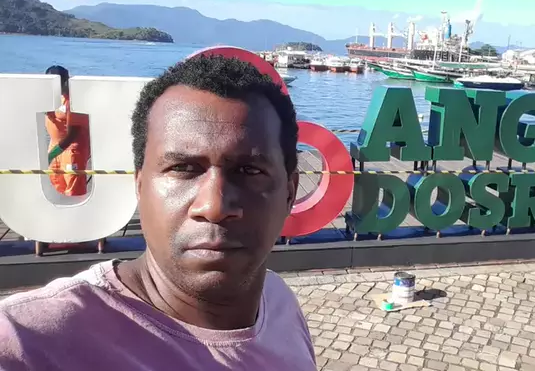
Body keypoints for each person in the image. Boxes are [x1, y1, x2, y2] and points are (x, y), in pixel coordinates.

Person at [0, 55, 315, 370]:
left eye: (249, 170)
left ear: (290, 192)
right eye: (183, 168)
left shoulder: (279, 303)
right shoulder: (28, 342)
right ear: (139, 186)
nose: (214, 207)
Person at [44, 65, 91, 196]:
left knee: (73, 190)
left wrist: (51, 155)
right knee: (56, 186)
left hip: (72, 150)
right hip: (55, 147)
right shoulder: (55, 97)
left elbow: (72, 136)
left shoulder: (74, 101)